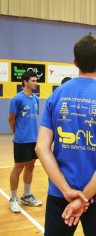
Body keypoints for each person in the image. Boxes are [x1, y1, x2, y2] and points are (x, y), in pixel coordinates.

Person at [35, 33, 96, 235]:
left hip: (60, 194)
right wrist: (83, 197)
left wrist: (68, 191)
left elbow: (41, 147)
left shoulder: (56, 95)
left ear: (75, 62)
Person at [8, 71, 42, 213]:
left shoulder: (35, 99)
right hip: (22, 140)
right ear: (25, 82)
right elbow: (11, 119)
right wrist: (17, 134)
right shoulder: (17, 99)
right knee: (18, 168)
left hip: (34, 139)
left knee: (30, 166)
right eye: (33, 81)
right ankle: (14, 198)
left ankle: (26, 195)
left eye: (36, 80)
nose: (35, 83)